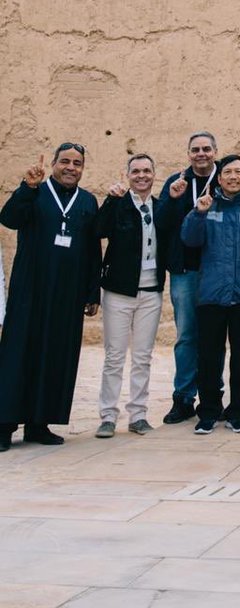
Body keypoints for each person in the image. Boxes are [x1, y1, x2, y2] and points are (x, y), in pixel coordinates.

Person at [0, 145, 100, 450]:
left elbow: (92, 249)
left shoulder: (87, 201)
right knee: (18, 355)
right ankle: (4, 426)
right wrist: (26, 188)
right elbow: (9, 219)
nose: (71, 167)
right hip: (31, 290)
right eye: (65, 161)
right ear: (54, 164)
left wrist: (91, 292)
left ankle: (39, 424)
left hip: (67, 295)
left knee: (55, 355)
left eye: (77, 163)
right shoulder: (36, 192)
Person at [182, 154, 240, 434]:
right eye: (227, 173)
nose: (233, 177)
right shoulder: (207, 206)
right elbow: (190, 240)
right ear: (219, 178)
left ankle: (236, 412)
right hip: (210, 295)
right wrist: (198, 213)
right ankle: (208, 413)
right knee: (208, 357)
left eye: (238, 172)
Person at [95, 154, 166, 438]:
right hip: (119, 292)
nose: (141, 176)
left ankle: (138, 414)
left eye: (146, 171)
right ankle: (108, 416)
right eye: (135, 171)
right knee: (114, 356)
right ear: (128, 175)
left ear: (154, 175)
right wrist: (110, 200)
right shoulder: (119, 204)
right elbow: (99, 230)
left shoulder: (161, 207)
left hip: (151, 292)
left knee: (142, 356)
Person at [157, 131, 220, 424]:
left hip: (216, 270)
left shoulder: (225, 179)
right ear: (188, 154)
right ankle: (183, 398)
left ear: (215, 151)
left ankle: (212, 396)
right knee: (186, 336)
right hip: (184, 270)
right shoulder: (177, 182)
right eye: (195, 149)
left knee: (214, 336)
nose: (201, 154)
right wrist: (172, 199)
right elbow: (161, 222)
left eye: (206, 148)